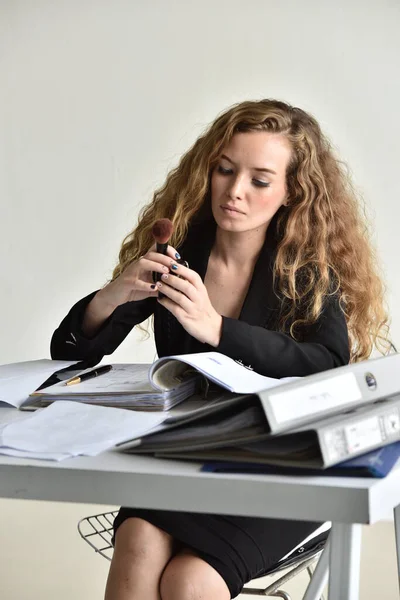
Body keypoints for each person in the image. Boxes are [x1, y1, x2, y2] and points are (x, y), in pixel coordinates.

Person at [51, 99, 390, 600]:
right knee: (138, 539)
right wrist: (114, 294)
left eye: (259, 180)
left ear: (290, 191)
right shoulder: (182, 250)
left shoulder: (308, 269)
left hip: (281, 467)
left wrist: (217, 328)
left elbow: (328, 365)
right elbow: (71, 350)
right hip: (187, 457)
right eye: (225, 170)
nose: (234, 192)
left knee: (189, 581)